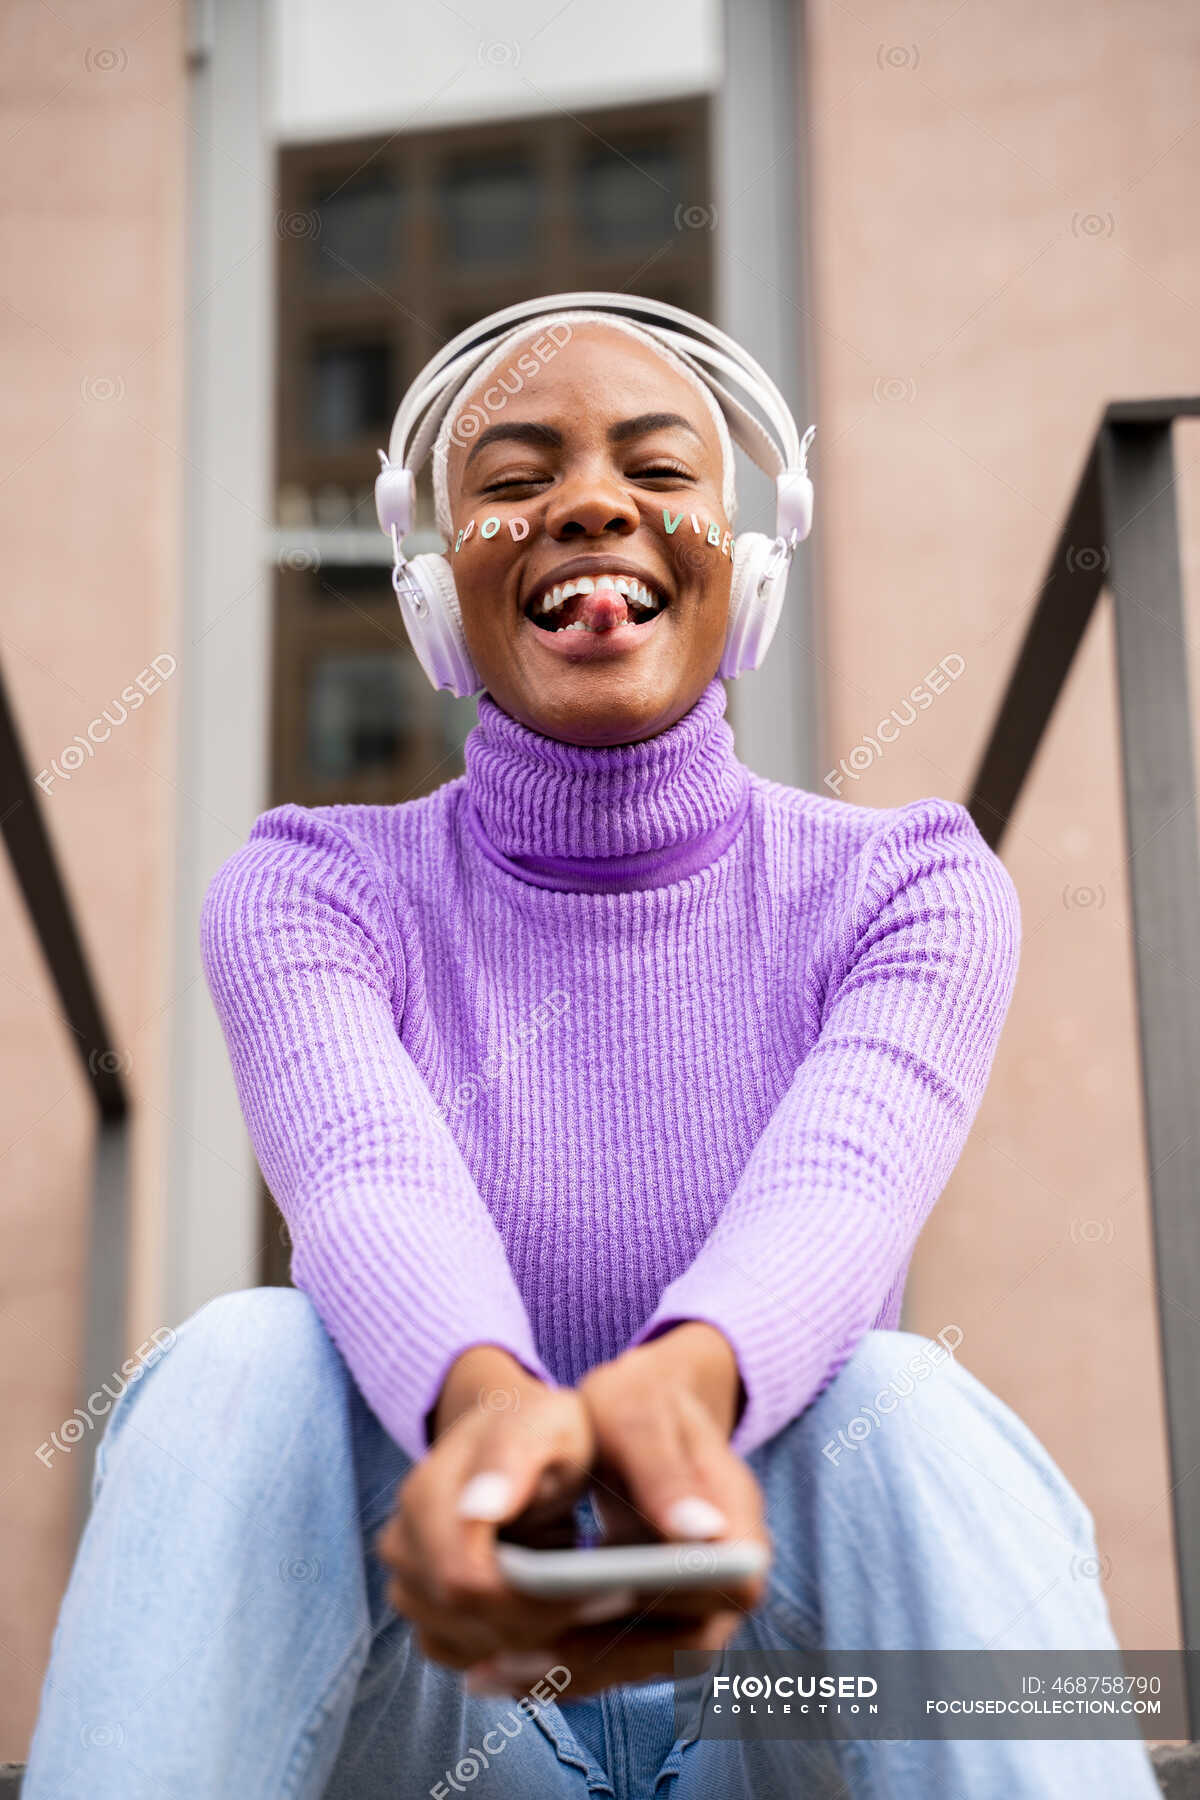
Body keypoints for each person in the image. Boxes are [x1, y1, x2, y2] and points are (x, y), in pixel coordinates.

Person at [20, 301, 1162, 1799]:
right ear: (438, 597)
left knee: (897, 1403)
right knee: (246, 1357)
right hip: (449, 1716)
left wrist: (686, 1393)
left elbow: (839, 1193)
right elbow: (366, 1180)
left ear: (749, 562)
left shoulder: (912, 886)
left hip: (776, 1718)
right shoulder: (312, 887)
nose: (591, 504)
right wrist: (494, 1427)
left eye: (658, 468)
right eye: (511, 480)